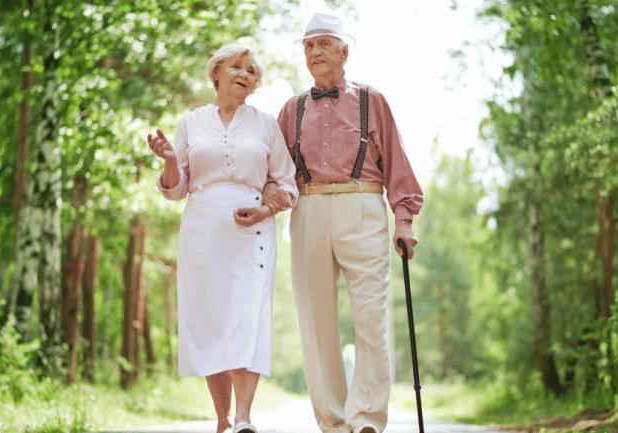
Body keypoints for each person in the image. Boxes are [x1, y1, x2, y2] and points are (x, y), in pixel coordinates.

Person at [265, 12, 423, 433]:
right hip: (309, 210)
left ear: (344, 51)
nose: (315, 52)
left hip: (363, 206)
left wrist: (404, 219)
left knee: (371, 315)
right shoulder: (291, 108)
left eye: (323, 44)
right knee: (315, 318)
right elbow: (275, 171)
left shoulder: (374, 101)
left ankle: (367, 417)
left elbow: (398, 166)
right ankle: (333, 420)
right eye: (308, 46)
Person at [148, 42, 298, 433]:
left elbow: (286, 181)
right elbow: (175, 188)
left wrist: (267, 209)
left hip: (253, 230)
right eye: (237, 66)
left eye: (252, 71)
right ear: (216, 72)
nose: (245, 74)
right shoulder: (191, 123)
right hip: (202, 232)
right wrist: (167, 160)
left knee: (247, 317)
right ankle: (222, 420)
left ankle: (245, 418)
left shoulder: (265, 124)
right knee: (210, 319)